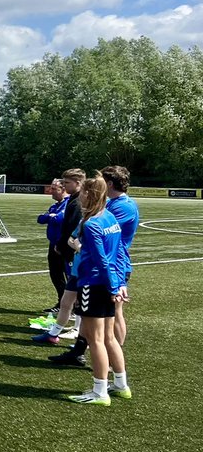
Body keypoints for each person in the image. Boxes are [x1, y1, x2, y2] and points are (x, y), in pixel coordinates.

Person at [65, 174, 128, 406]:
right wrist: (119, 283)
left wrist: (113, 286)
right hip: (108, 283)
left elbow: (101, 260)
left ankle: (99, 391)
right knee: (109, 337)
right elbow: (119, 253)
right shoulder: (110, 217)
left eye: (82, 192)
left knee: (95, 339)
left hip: (94, 284)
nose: (79, 196)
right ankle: (121, 384)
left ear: (89, 194)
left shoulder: (91, 224)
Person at [37, 168, 86, 352]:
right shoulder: (74, 200)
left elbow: (72, 226)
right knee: (69, 295)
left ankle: (78, 330)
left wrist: (65, 245)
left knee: (78, 293)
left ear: (78, 183)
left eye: (66, 183)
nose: (63, 187)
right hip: (68, 248)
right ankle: (57, 331)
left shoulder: (77, 202)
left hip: (74, 252)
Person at [102, 166, 139, 346]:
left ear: (109, 183)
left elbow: (104, 230)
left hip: (117, 264)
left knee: (115, 312)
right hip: (109, 261)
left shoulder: (124, 206)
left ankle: (115, 357)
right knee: (103, 312)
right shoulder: (112, 202)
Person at [36, 179, 68, 314]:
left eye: (54, 189)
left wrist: (50, 217)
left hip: (65, 245)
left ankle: (71, 306)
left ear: (63, 189)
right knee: (55, 275)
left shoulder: (68, 204)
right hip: (53, 244)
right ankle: (62, 303)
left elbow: (59, 219)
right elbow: (40, 219)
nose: (51, 191)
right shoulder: (55, 206)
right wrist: (51, 216)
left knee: (69, 275)